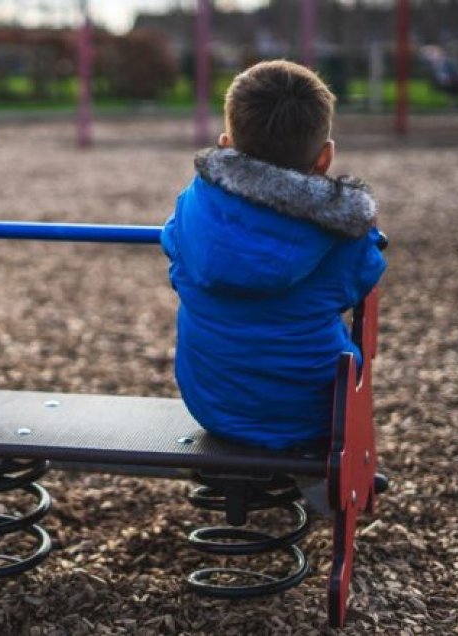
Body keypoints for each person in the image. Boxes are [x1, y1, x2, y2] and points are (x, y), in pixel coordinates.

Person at [161, 60, 386, 452]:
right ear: (324, 157)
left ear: (226, 145)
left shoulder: (192, 205)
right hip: (314, 414)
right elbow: (363, 277)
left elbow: (172, 242)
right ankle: (320, 486)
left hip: (211, 403)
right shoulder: (340, 232)